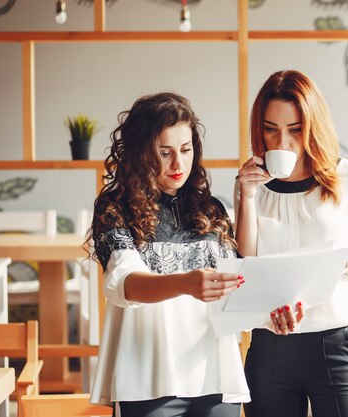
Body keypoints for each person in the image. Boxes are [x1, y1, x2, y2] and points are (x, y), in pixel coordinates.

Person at [235, 70, 348, 417]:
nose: (282, 143)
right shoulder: (250, 184)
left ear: (312, 125)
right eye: (270, 129)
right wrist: (246, 195)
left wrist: (346, 262)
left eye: (295, 130)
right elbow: (245, 263)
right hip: (270, 345)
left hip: (339, 344)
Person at [88, 92, 249, 417]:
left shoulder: (210, 208)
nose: (178, 164)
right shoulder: (114, 208)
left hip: (215, 374)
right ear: (140, 152)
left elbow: (240, 284)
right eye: (165, 152)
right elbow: (125, 285)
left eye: (186, 150)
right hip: (147, 377)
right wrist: (187, 283)